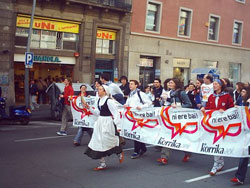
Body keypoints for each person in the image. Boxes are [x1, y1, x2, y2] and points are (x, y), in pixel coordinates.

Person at [84, 85, 124, 170]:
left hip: (107, 122)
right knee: (98, 141)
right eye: (98, 89)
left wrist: (118, 126)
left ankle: (119, 152)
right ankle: (102, 163)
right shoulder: (99, 100)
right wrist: (90, 108)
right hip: (100, 122)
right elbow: (98, 112)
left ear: (105, 91)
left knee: (109, 140)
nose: (98, 91)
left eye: (100, 89)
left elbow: (116, 113)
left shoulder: (109, 101)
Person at [201, 79, 234, 176]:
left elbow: (232, 108)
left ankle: (217, 164)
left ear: (220, 86)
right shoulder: (211, 96)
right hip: (213, 123)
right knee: (215, 142)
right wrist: (204, 109)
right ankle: (219, 162)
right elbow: (208, 108)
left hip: (223, 123)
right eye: (213, 84)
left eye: (215, 84)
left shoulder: (226, 96)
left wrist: (225, 111)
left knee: (218, 142)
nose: (214, 86)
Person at [157, 78, 192, 165]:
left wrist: (179, 106)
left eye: (171, 82)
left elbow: (189, 104)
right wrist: (163, 100)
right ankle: (164, 157)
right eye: (169, 82)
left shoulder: (182, 93)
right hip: (171, 118)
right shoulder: (169, 92)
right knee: (168, 135)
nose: (169, 84)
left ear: (176, 84)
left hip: (179, 118)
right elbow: (168, 104)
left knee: (181, 137)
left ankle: (188, 152)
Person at [124, 80, 152, 159]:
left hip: (140, 117)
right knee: (136, 132)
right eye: (129, 84)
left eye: (132, 84)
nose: (130, 85)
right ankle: (143, 148)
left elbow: (149, 103)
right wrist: (126, 105)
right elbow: (128, 103)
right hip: (132, 117)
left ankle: (136, 151)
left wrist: (141, 107)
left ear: (136, 85)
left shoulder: (140, 94)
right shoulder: (130, 94)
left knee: (136, 133)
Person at [231, 86, 250, 185]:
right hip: (246, 132)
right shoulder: (241, 100)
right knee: (244, 154)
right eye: (241, 91)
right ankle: (239, 177)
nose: (242, 93)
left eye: (244, 92)